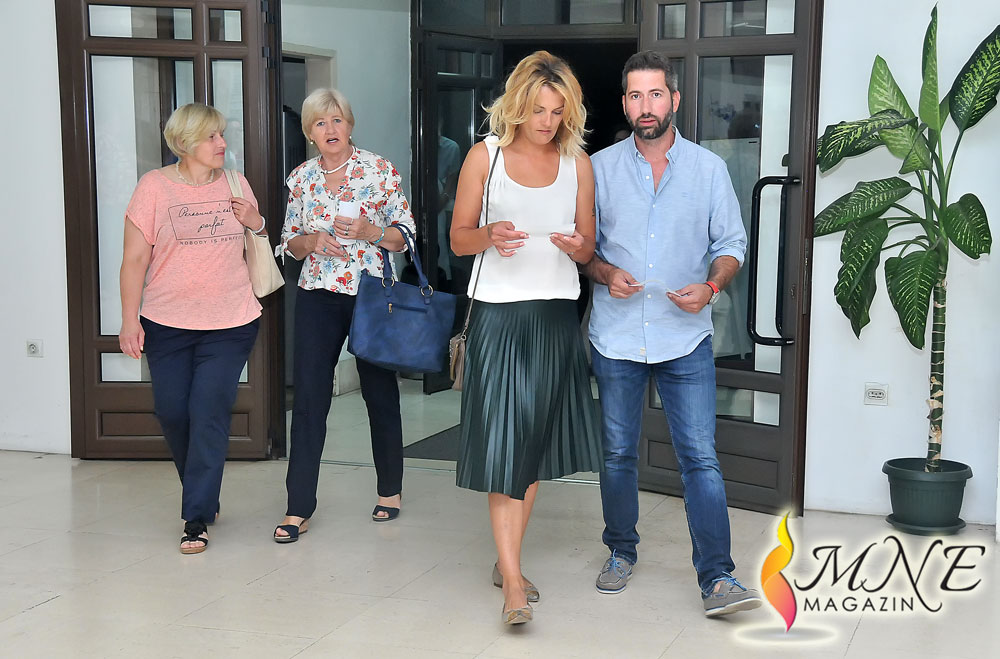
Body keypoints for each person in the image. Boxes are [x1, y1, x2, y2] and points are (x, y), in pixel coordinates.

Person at [583, 51, 763, 617]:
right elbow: (583, 250)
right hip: (616, 335)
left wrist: (711, 288)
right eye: (635, 96)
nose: (646, 106)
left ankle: (718, 577)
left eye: (655, 94)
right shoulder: (598, 169)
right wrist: (606, 273)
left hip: (685, 337)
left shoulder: (708, 169)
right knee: (617, 455)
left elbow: (731, 244)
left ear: (675, 100)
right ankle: (620, 551)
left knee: (700, 458)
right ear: (624, 103)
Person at [450, 51, 603, 626]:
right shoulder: (483, 157)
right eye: (539, 109)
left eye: (557, 111)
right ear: (517, 105)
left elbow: (588, 247)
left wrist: (578, 247)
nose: (547, 121)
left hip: (556, 317)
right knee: (504, 445)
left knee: (532, 446)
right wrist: (488, 234)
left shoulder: (577, 163)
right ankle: (513, 580)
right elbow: (457, 239)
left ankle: (506, 560)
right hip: (498, 317)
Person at [118, 103, 265, 554]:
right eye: (211, 137)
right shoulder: (154, 187)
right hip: (167, 323)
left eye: (221, 135)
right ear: (184, 143)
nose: (222, 144)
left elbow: (258, 237)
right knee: (172, 412)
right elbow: (134, 259)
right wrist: (129, 319)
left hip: (231, 321)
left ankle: (195, 517)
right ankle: (202, 494)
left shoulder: (236, 184)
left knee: (208, 411)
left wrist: (255, 221)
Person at [273, 88, 416, 542]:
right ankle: (298, 507)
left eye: (337, 120)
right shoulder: (301, 179)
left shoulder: (379, 170)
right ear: (309, 132)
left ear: (350, 125)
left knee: (379, 393)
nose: (330, 129)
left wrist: (373, 231)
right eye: (320, 123)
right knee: (310, 399)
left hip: (371, 293)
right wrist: (311, 241)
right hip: (317, 294)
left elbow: (407, 235)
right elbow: (288, 242)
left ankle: (390, 489)